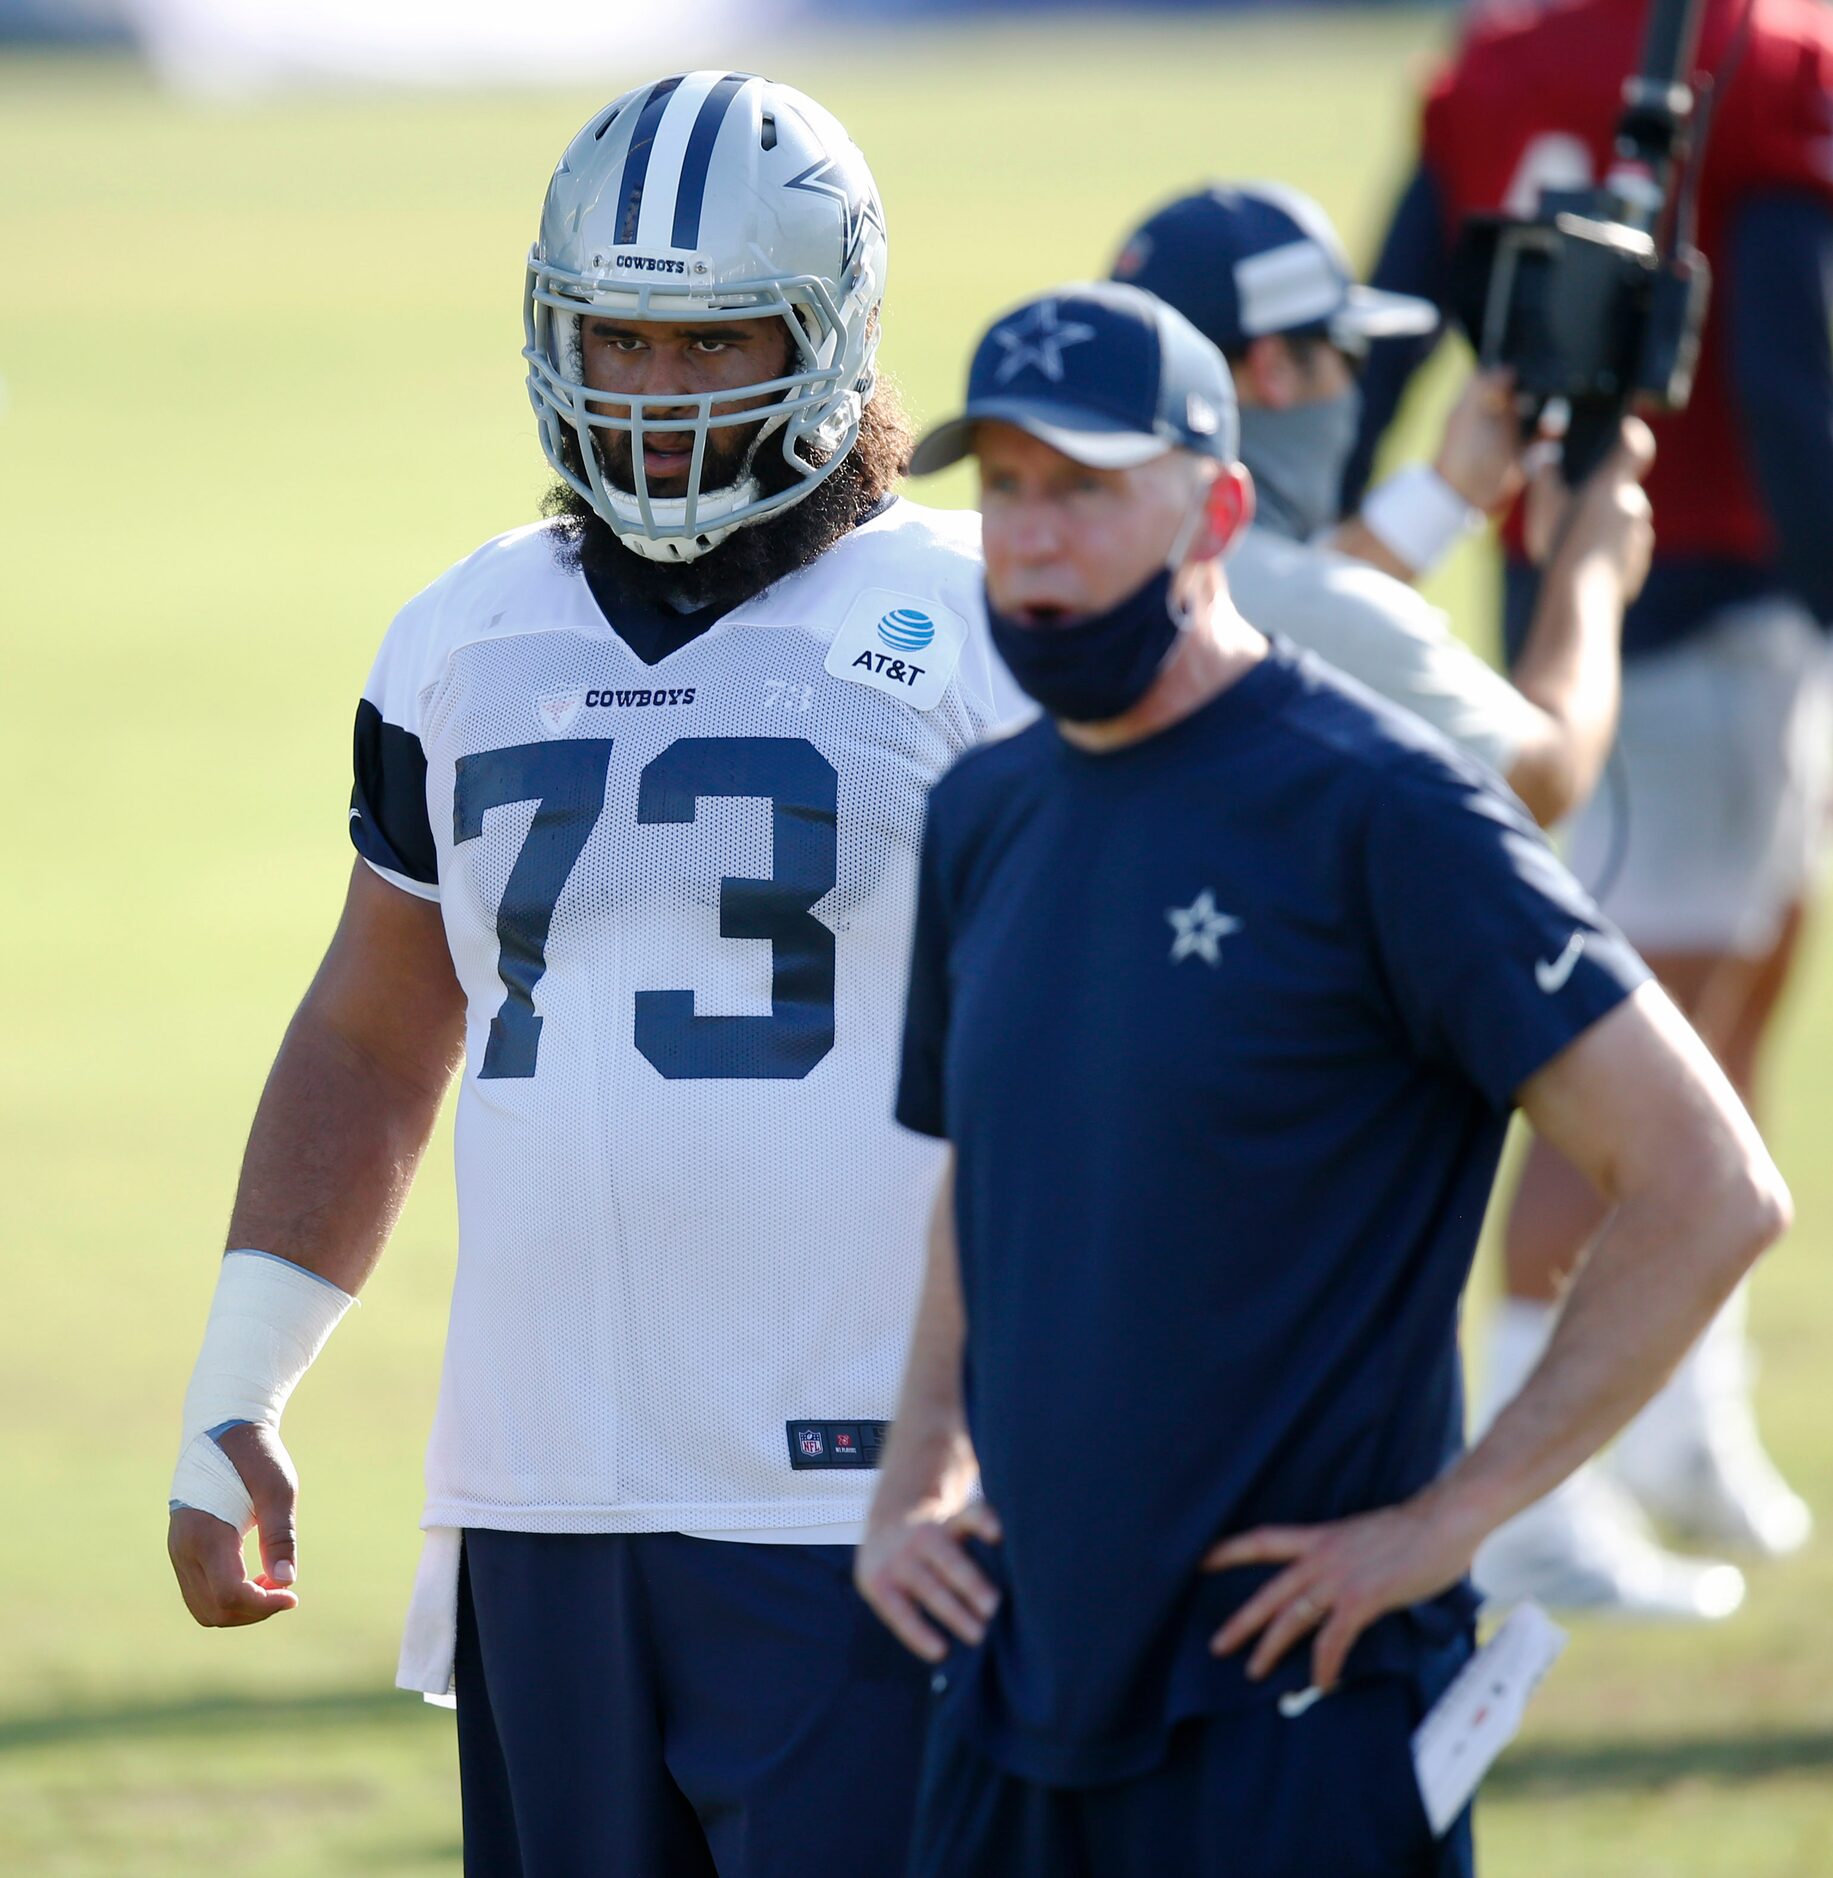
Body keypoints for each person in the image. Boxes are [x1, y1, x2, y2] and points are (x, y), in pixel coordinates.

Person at [166, 70, 1023, 1877]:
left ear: (827, 333)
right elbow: (375, 1026)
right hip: (541, 1499)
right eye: (612, 339)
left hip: (870, 1503)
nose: (646, 394)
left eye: (706, 346)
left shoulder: (980, 621)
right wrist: (240, 1378)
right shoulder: (464, 631)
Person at [853, 281, 1791, 1876]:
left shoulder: (1384, 808)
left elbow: (1709, 1188)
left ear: (1217, 507)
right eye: (1004, 486)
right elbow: (989, 1170)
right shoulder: (985, 810)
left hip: (1298, 1720)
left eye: (1085, 487)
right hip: (1016, 1695)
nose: (1031, 537)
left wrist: (1451, 1521)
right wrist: (914, 1465)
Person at [1346, 0, 1833, 1611]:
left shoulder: (1495, 61)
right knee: (1629, 1037)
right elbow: (1780, 365)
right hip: (1696, 590)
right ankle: (1525, 1477)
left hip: (1590, 590)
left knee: (1744, 970)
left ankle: (1674, 1409)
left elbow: (1399, 312)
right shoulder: (1762, 65)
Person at [1112, 181, 1621, 830]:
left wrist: (1445, 494)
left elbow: (1294, 600)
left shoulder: (1059, 545)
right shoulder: (1297, 607)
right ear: (1274, 369)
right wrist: (1591, 568)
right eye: (1345, 353)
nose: (1353, 388)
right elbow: (1542, 780)